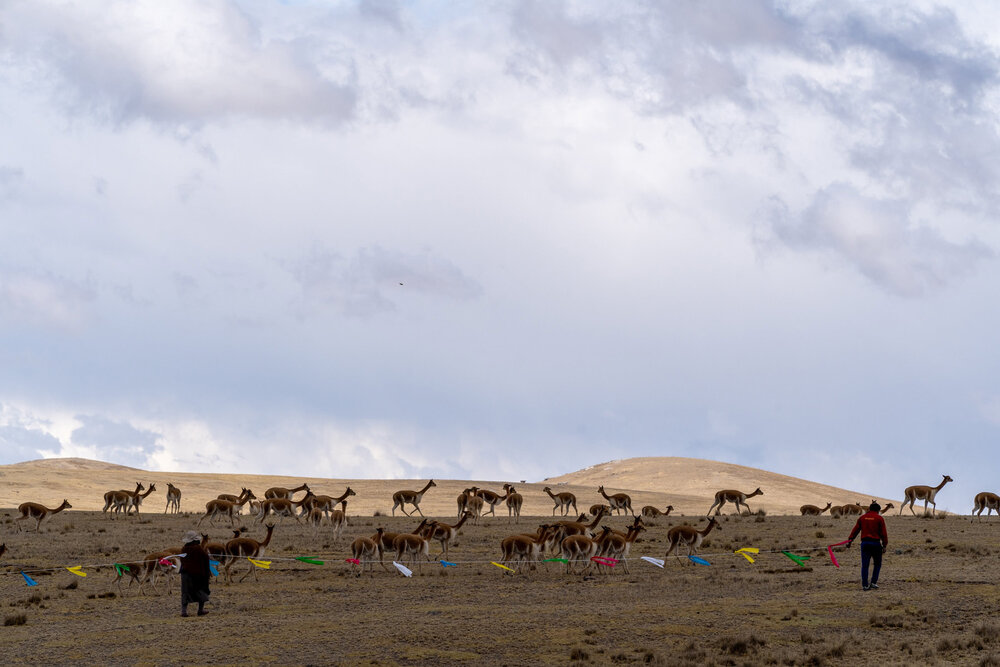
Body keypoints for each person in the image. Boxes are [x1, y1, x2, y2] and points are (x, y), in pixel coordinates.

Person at [846, 502, 888, 591]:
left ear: (869, 509)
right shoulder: (879, 518)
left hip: (865, 544)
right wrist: (884, 545)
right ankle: (873, 582)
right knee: (877, 564)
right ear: (878, 510)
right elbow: (883, 533)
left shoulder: (862, 518)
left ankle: (865, 585)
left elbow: (855, 530)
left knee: (865, 565)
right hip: (876, 544)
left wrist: (850, 540)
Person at [179, 530, 211, 617]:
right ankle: (200, 610)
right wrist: (207, 573)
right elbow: (205, 559)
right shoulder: (198, 549)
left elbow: (182, 560)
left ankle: (184, 611)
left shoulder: (183, 549)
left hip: (185, 574)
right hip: (197, 574)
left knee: (185, 592)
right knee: (201, 591)